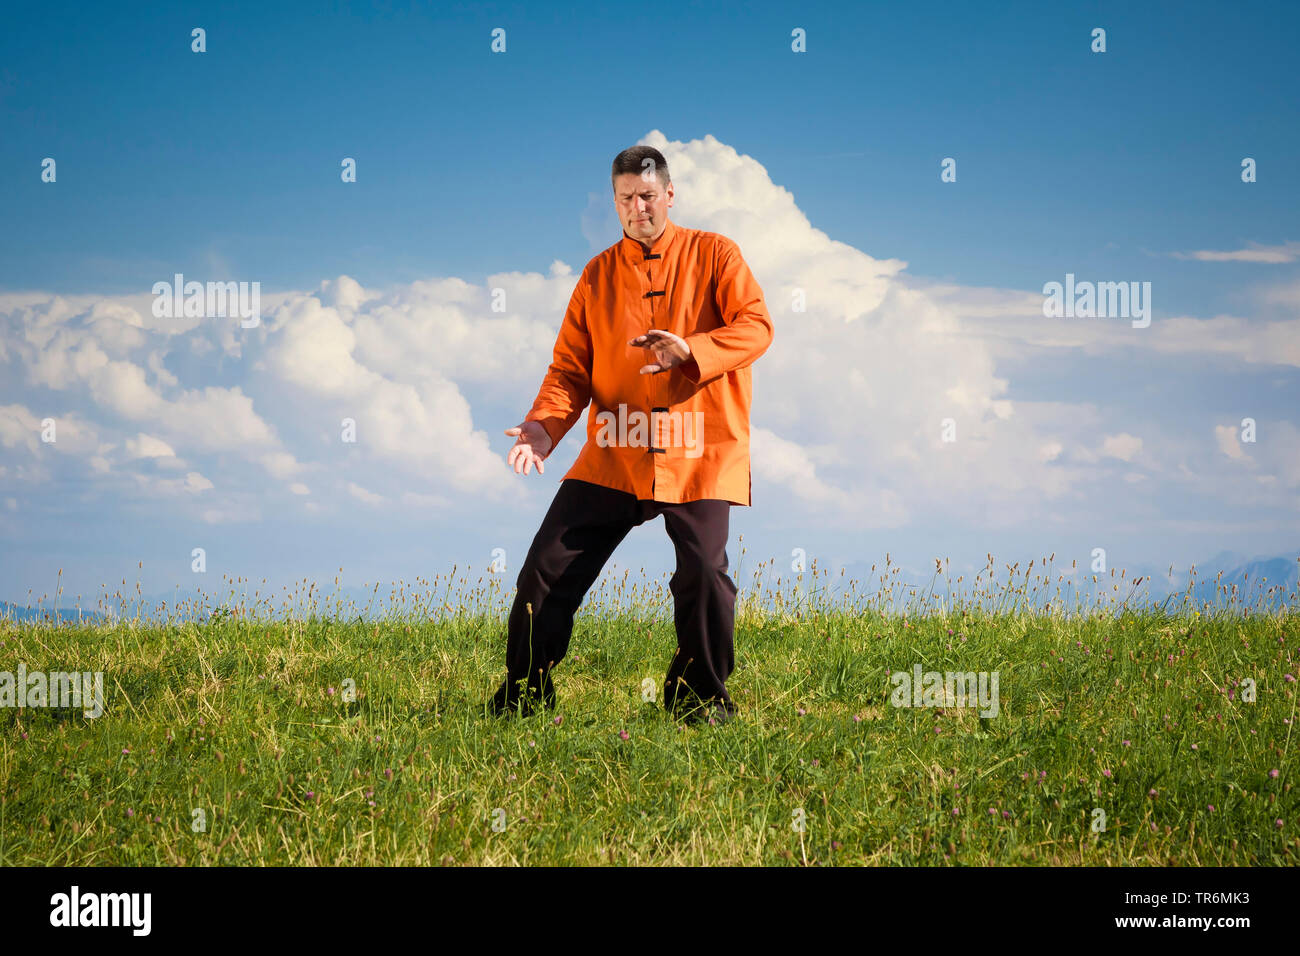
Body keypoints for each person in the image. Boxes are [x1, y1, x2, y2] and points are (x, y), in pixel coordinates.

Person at [487, 144, 774, 725]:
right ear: (614, 203)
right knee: (544, 569)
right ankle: (523, 695)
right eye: (625, 199)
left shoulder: (716, 254)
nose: (637, 208)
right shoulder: (596, 275)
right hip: (615, 448)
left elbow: (757, 327)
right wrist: (544, 428)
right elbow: (570, 367)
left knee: (704, 572)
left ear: (669, 195)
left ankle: (699, 699)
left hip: (697, 446)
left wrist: (692, 349)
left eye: (647, 196)